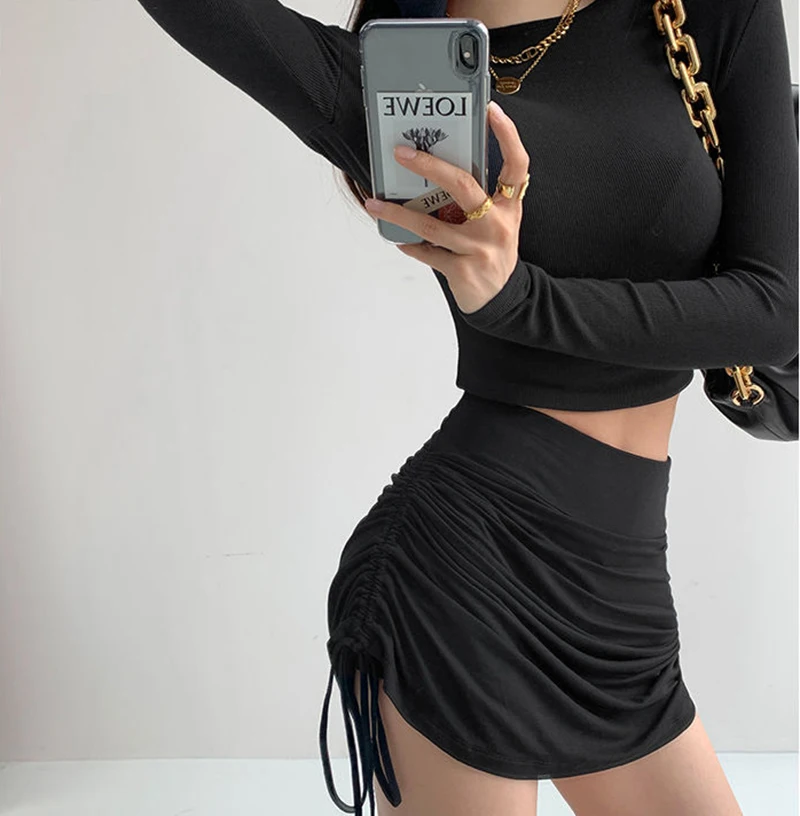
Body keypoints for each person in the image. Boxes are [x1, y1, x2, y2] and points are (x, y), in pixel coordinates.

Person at [133, 0, 798, 813]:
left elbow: (774, 308)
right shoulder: (393, 73)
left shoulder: (700, 13)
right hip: (462, 582)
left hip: (619, 596)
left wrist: (522, 300)